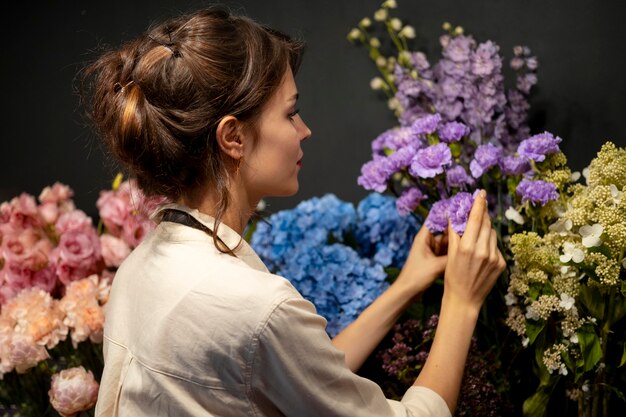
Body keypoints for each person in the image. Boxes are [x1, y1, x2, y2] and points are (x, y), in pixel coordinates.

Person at [82, 7, 505, 417]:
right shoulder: (257, 307)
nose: (304, 130)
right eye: (290, 113)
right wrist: (462, 302)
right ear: (233, 137)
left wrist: (405, 286)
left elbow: (297, 376)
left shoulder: (137, 270)